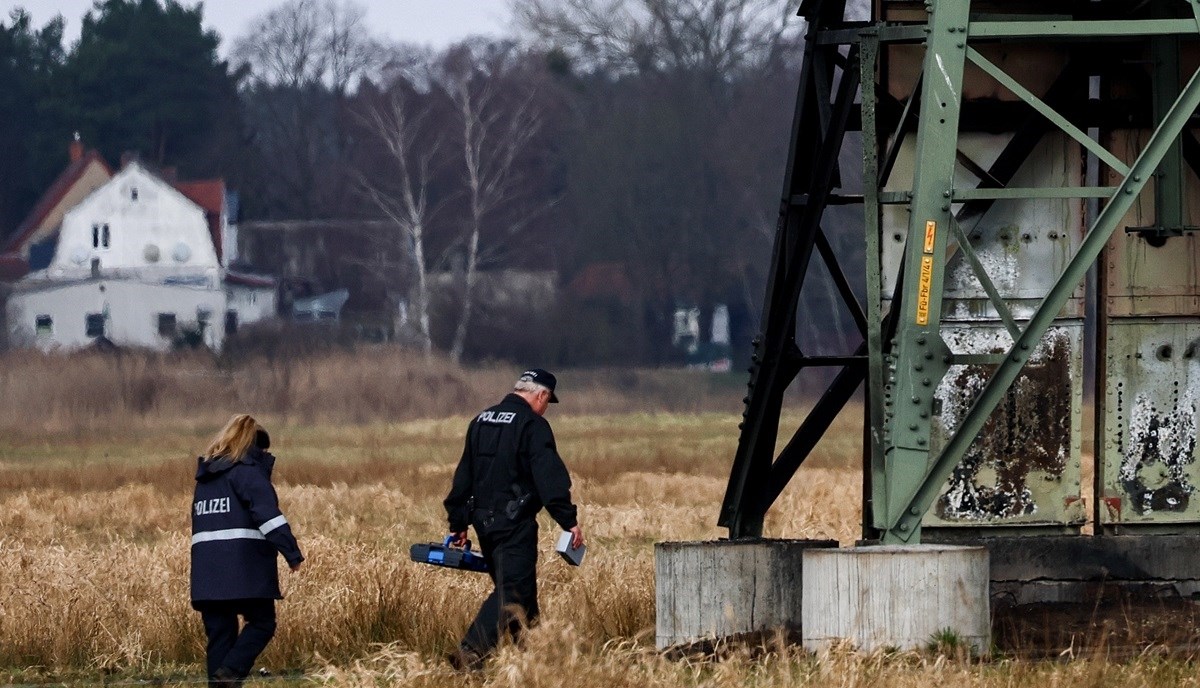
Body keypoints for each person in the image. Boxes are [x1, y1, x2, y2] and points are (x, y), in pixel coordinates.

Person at [443, 368, 584, 670]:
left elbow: (464, 476)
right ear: (541, 395)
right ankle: (472, 651)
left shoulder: (481, 420)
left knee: (523, 596)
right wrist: (568, 521)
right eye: (548, 401)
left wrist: (458, 524)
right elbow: (549, 478)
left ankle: (535, 660)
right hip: (514, 524)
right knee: (513, 590)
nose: (546, 408)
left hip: (483, 525)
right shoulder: (532, 425)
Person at [190, 414, 304, 687]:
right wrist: (292, 554)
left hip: (207, 577)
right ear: (250, 444)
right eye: (261, 448)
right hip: (245, 573)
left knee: (220, 635)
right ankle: (230, 672)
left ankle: (222, 680)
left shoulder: (205, 480)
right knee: (263, 623)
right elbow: (269, 518)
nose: (264, 453)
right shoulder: (248, 473)